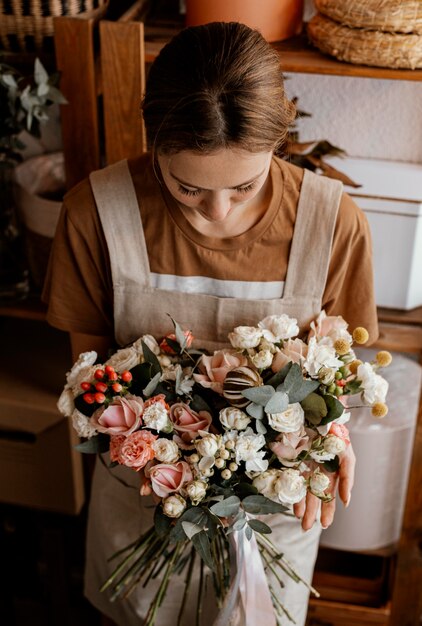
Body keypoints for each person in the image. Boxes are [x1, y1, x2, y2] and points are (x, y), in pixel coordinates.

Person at [43, 21, 378, 626]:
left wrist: (334, 434)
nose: (216, 212)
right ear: (155, 141)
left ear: (278, 140)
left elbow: (340, 376)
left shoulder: (334, 223)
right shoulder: (96, 213)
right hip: (142, 504)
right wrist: (174, 458)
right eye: (187, 187)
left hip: (273, 519)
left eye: (244, 187)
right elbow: (89, 385)